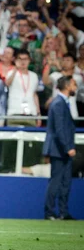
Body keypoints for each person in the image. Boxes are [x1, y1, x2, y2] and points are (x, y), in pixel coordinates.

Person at [43, 75, 77, 220]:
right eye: (74, 84)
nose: (76, 87)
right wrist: (68, 147)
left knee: (65, 182)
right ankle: (49, 212)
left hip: (63, 150)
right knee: (56, 182)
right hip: (59, 149)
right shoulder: (58, 103)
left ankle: (63, 212)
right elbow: (59, 129)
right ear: (68, 86)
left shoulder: (62, 102)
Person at [6, 49, 40, 127]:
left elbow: (34, 94)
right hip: (14, 112)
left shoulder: (34, 76)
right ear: (15, 60)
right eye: (20, 59)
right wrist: (15, 69)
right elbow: (7, 83)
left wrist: (38, 114)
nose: (23, 62)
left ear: (29, 60)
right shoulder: (11, 73)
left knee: (30, 138)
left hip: (31, 113)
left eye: (25, 59)